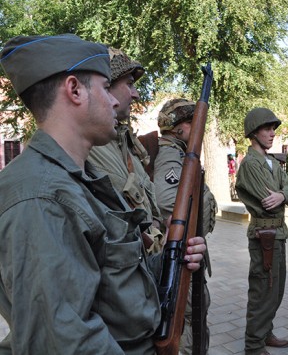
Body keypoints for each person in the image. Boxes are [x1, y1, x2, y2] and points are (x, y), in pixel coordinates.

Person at [0, 34, 205, 354]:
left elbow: (109, 279)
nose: (114, 101)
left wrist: (170, 260)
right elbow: (63, 342)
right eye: (104, 87)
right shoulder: (41, 198)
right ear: (75, 90)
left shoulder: (82, 178)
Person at [153, 98, 218, 355]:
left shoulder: (181, 153)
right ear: (178, 128)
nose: (197, 129)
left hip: (187, 250)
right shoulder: (171, 154)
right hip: (180, 254)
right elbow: (168, 200)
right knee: (189, 319)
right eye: (193, 123)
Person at [87, 47, 164, 254]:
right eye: (129, 84)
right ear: (106, 87)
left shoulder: (122, 142)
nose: (136, 94)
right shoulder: (88, 147)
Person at [235, 107, 288, 355]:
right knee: (263, 291)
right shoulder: (250, 164)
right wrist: (282, 193)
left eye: (273, 129)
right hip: (264, 237)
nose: (272, 134)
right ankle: (253, 345)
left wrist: (282, 194)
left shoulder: (271, 162)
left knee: (275, 290)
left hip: (277, 235)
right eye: (267, 129)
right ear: (254, 132)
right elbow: (267, 203)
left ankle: (265, 331)